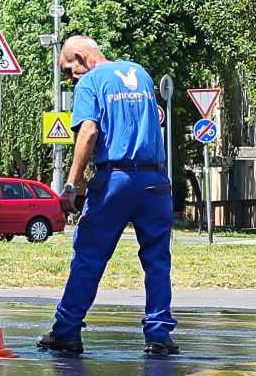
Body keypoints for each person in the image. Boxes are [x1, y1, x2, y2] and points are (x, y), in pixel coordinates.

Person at [37, 36, 177, 357]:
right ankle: (159, 334)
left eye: (68, 69)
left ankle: (67, 331)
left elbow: (89, 132)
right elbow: (155, 117)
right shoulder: (140, 73)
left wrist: (71, 185)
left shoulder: (90, 82)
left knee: (89, 256)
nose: (70, 78)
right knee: (157, 260)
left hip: (115, 181)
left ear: (80, 57)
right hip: (154, 181)